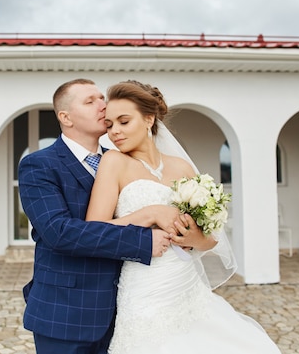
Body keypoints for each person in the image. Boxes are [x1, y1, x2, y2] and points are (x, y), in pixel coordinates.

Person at [86, 80, 282, 353]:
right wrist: (147, 214)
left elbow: (211, 239)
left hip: (185, 282)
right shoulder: (114, 162)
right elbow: (94, 230)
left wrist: (193, 238)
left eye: (123, 121)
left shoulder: (182, 167)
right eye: (109, 125)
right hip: (143, 284)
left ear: (148, 119)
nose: (114, 132)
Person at [18, 78, 196, 354]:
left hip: (127, 307)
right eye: (90, 101)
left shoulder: (122, 160)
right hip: (66, 311)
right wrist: (144, 237)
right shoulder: (39, 165)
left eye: (101, 98)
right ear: (65, 117)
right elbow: (59, 232)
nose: (102, 106)